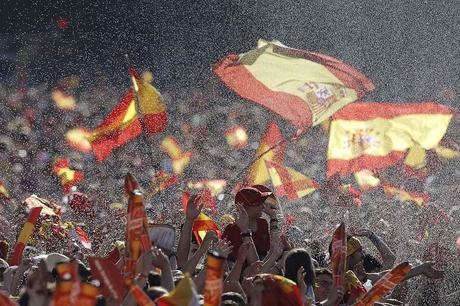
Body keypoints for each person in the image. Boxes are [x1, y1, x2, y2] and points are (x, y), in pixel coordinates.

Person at [222, 186, 278, 262]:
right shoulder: (232, 229)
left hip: (262, 268)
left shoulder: (263, 223)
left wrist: (273, 217)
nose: (263, 206)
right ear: (244, 207)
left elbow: (273, 250)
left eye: (262, 203)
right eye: (258, 204)